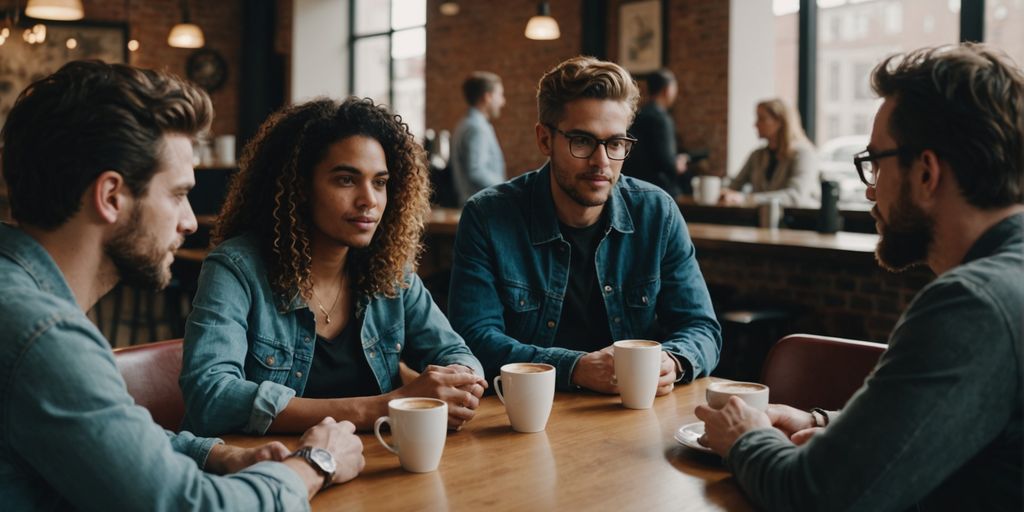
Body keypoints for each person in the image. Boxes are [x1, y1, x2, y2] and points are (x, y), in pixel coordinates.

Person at [0, 61, 364, 510]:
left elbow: (114, 438)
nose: (190, 221)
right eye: (176, 195)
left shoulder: (19, 303)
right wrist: (316, 462)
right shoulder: (43, 335)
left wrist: (218, 454)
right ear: (111, 196)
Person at [697, 43, 1024, 511]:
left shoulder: (973, 304)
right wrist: (825, 422)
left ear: (927, 172)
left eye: (875, 162)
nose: (870, 188)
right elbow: (949, 418)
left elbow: (816, 498)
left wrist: (743, 438)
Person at [179, 97, 486, 437]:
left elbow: (455, 352)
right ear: (300, 187)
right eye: (346, 180)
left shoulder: (390, 272)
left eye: (380, 182)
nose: (369, 199)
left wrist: (459, 381)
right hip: (264, 472)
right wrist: (385, 406)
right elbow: (212, 396)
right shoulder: (237, 268)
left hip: (369, 466)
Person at [448, 56, 721, 394]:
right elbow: (473, 339)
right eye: (582, 141)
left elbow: (701, 328)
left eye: (616, 143)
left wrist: (674, 361)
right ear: (545, 140)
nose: (601, 162)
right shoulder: (487, 217)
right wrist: (575, 368)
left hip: (634, 416)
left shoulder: (657, 213)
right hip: (528, 421)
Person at [719, 98, 818, 207]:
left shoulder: (804, 154)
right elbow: (734, 186)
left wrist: (748, 199)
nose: (755, 124)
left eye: (761, 119)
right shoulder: (757, 155)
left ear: (780, 122)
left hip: (800, 221)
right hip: (764, 220)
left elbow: (796, 197)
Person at [621, 69, 690, 196]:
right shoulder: (661, 119)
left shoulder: (638, 114)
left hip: (634, 184)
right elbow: (667, 162)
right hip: (658, 190)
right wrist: (678, 163)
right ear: (668, 90)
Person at [451, 71, 507, 205]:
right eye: (500, 95)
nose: (503, 102)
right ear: (488, 97)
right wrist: (507, 187)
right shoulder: (477, 128)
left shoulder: (465, 124)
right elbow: (476, 171)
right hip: (481, 207)